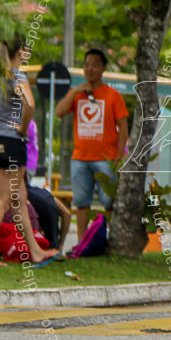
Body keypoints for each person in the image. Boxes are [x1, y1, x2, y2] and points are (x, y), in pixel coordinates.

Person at [0, 38, 59, 267]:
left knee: (19, 200)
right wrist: (22, 129)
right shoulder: (16, 76)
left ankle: (35, 251)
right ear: (20, 51)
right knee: (2, 200)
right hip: (11, 144)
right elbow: (30, 105)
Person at [55, 48, 129, 241]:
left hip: (106, 159)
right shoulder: (77, 94)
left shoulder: (113, 96)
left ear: (103, 68)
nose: (90, 69)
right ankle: (81, 243)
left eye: (95, 65)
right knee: (81, 204)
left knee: (109, 202)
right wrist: (76, 91)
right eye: (87, 64)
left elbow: (123, 127)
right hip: (80, 159)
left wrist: (120, 156)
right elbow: (59, 112)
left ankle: (113, 241)